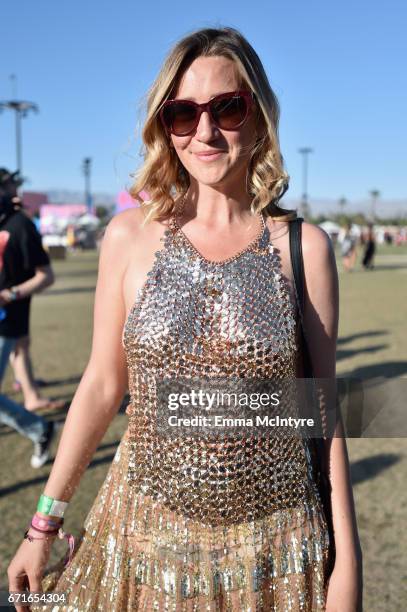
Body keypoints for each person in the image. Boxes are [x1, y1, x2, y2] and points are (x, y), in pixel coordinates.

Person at [8, 28, 362, 611]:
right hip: (144, 544)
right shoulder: (128, 237)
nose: (204, 131)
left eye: (227, 107)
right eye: (182, 113)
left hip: (275, 551)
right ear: (163, 125)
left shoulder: (307, 248)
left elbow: (324, 412)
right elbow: (101, 386)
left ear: (259, 115)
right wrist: (43, 527)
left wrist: (346, 565)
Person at [0, 168, 58, 468]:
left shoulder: (21, 225)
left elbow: (46, 276)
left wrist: (9, 294)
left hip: (6, 320)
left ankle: (39, 428)